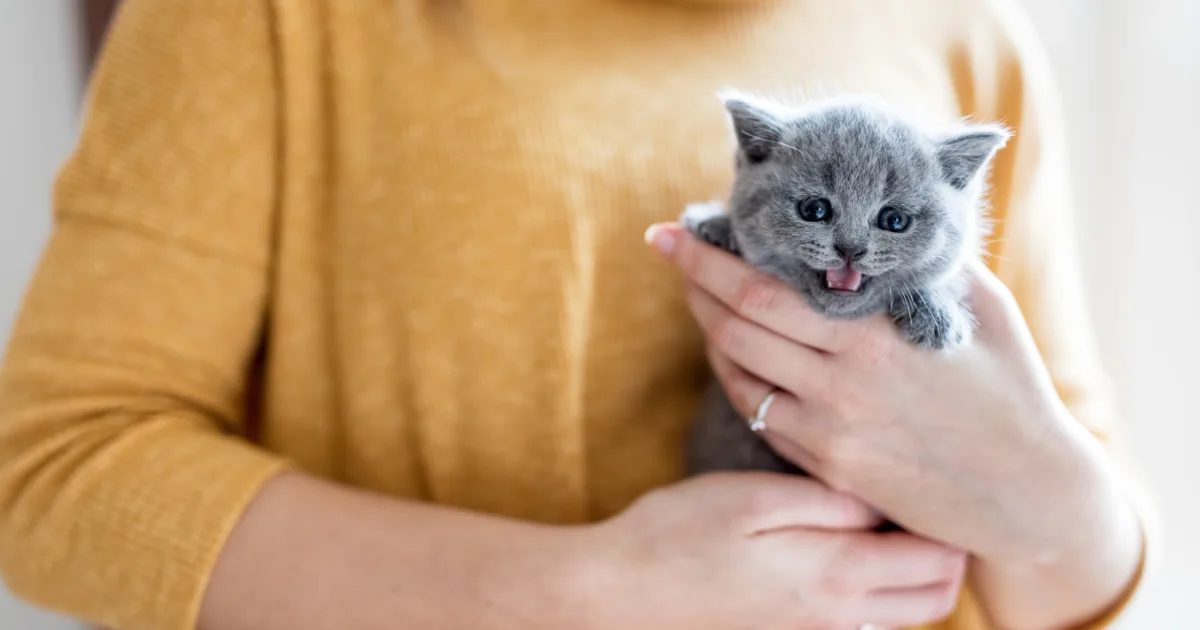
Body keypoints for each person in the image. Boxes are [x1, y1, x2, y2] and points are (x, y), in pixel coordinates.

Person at [0, 0, 1153, 629]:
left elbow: (1082, 566)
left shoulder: (973, 33)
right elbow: (53, 477)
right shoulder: (274, 16)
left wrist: (1046, 496)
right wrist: (587, 595)